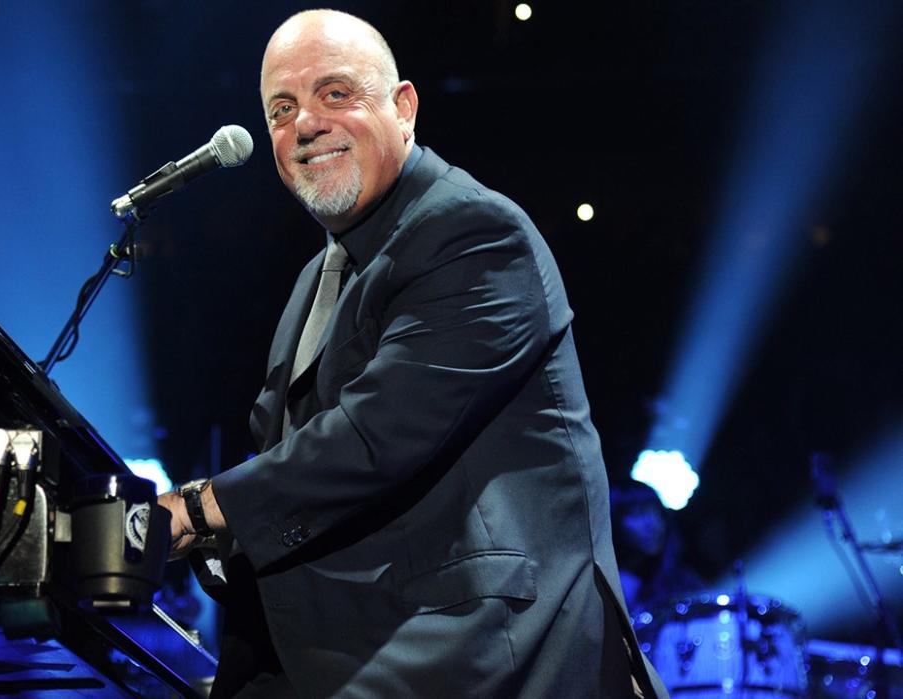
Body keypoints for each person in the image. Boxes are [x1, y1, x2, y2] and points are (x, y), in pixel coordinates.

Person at [158, 10, 669, 698]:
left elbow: (379, 434)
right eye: (283, 108)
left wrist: (195, 510)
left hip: (485, 649)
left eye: (335, 93)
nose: (306, 123)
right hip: (360, 640)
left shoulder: (473, 232)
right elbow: (289, 453)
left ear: (404, 108)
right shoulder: (320, 276)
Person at [610, 481, 706, 617]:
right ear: (613, 521)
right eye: (638, 513)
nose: (653, 523)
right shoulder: (600, 586)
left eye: (657, 513)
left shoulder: (683, 581)